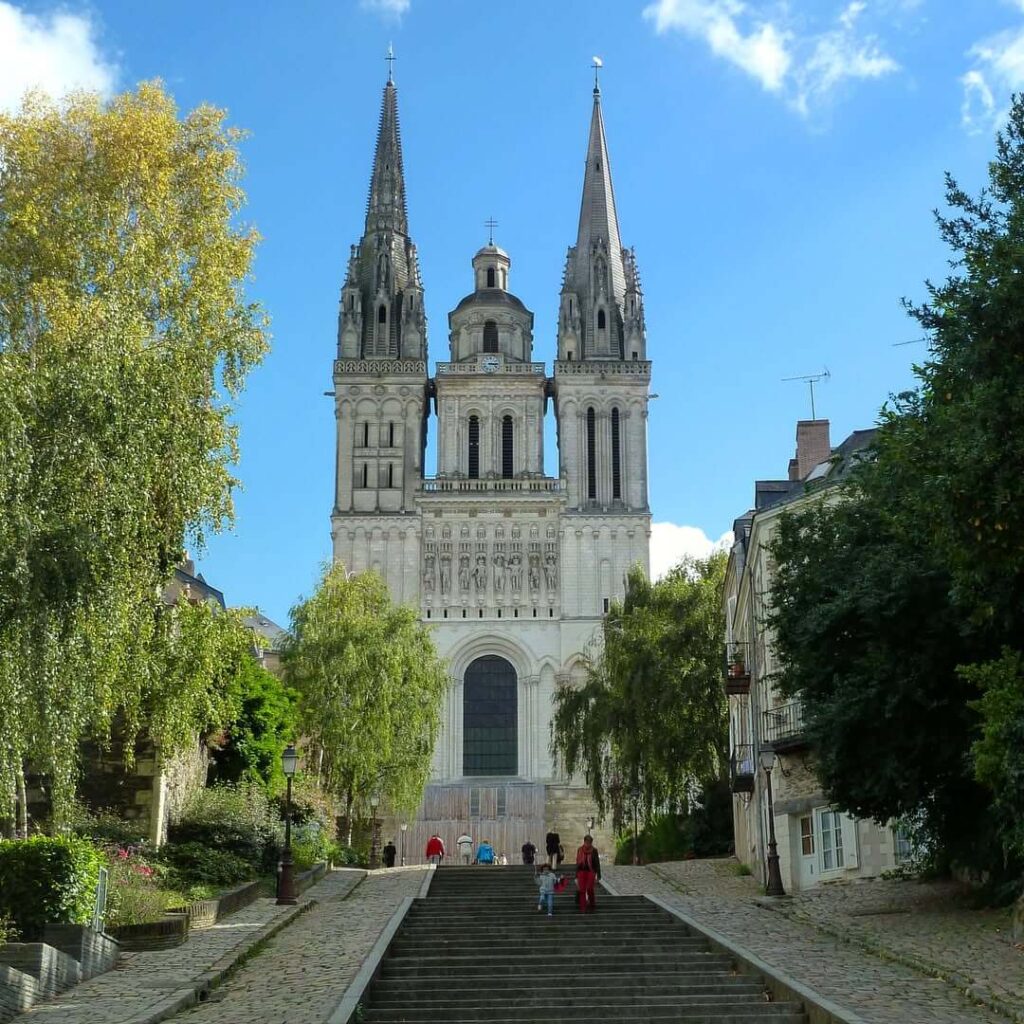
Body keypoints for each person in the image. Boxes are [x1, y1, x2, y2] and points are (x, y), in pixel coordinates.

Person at [575, 834, 602, 912]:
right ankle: (583, 907)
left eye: (589, 842)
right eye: (586, 842)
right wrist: (576, 875)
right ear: (584, 842)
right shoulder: (580, 849)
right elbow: (577, 862)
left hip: (591, 871)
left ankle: (592, 904)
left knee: (590, 888)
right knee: (582, 890)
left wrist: (599, 875)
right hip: (581, 871)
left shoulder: (594, 850)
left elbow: (597, 863)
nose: (588, 844)